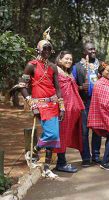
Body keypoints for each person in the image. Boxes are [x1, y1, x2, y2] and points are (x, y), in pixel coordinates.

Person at [19, 28, 64, 178]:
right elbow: (22, 86)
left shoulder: (52, 67)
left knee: (54, 138)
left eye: (49, 49)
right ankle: (34, 151)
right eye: (44, 48)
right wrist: (32, 105)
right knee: (52, 134)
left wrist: (62, 106)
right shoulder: (31, 65)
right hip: (40, 105)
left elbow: (57, 87)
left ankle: (46, 168)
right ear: (38, 49)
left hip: (53, 104)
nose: (47, 51)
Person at [54, 51, 85, 173]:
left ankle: (60, 162)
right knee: (61, 134)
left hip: (72, 111)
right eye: (66, 58)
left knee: (65, 135)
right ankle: (61, 163)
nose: (69, 61)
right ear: (60, 59)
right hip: (62, 109)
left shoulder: (68, 72)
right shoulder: (55, 70)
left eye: (71, 59)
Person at [88, 64, 109, 170]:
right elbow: (103, 102)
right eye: (107, 70)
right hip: (104, 114)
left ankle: (106, 161)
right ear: (102, 71)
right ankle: (104, 162)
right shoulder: (99, 84)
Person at [72, 42, 101, 167]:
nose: (93, 51)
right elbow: (71, 85)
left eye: (94, 48)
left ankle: (96, 155)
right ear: (84, 52)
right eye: (90, 49)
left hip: (98, 103)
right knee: (84, 131)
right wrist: (80, 87)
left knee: (97, 130)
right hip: (84, 103)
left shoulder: (100, 65)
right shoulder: (77, 67)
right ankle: (85, 158)